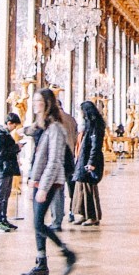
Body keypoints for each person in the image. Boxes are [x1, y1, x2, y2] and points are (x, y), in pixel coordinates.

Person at [21, 89, 78, 275]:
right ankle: (41, 263)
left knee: (38, 222)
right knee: (37, 222)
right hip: (41, 179)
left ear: (47, 103)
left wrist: (43, 187)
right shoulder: (43, 126)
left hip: (51, 180)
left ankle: (66, 254)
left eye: (38, 101)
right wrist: (32, 182)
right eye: (34, 100)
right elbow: (39, 157)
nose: (35, 104)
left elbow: (54, 161)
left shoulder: (55, 128)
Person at [71, 100, 105, 226]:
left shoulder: (96, 126)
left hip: (89, 160)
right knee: (80, 187)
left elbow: (95, 146)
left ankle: (93, 215)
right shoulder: (88, 125)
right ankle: (82, 213)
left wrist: (91, 162)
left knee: (89, 188)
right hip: (83, 159)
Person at [0, 112, 21, 232]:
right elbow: (1, 153)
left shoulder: (4, 134)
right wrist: (16, 148)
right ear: (9, 123)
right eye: (14, 126)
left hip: (8, 168)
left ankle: (4, 219)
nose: (14, 129)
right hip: (3, 168)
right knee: (0, 195)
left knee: (6, 195)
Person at [52, 98, 79, 229]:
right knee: (71, 186)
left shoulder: (54, 120)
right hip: (70, 155)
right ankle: (72, 212)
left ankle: (57, 216)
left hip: (59, 156)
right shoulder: (71, 119)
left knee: (58, 188)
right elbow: (75, 137)